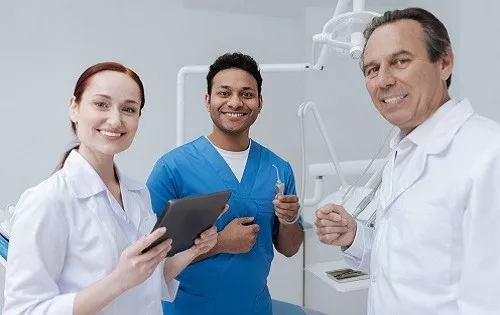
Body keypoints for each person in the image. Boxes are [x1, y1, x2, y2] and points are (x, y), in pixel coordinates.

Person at [315, 7, 500, 315]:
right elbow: (410, 265)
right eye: (372, 69)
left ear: (444, 63)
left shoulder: (488, 154)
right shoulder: (404, 150)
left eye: (400, 61)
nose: (384, 80)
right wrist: (355, 236)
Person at [3, 62, 218, 315]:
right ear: (74, 108)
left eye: (128, 109)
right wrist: (119, 280)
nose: (115, 120)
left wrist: (195, 251)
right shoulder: (47, 200)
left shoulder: (138, 194)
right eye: (101, 104)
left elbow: (146, 279)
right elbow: (23, 310)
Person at [147, 52, 304, 315]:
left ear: (260, 102)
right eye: (224, 93)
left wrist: (289, 221)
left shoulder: (278, 169)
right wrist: (220, 242)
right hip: (188, 309)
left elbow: (289, 248)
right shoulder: (173, 168)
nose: (235, 102)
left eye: (246, 94)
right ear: (208, 101)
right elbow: (148, 261)